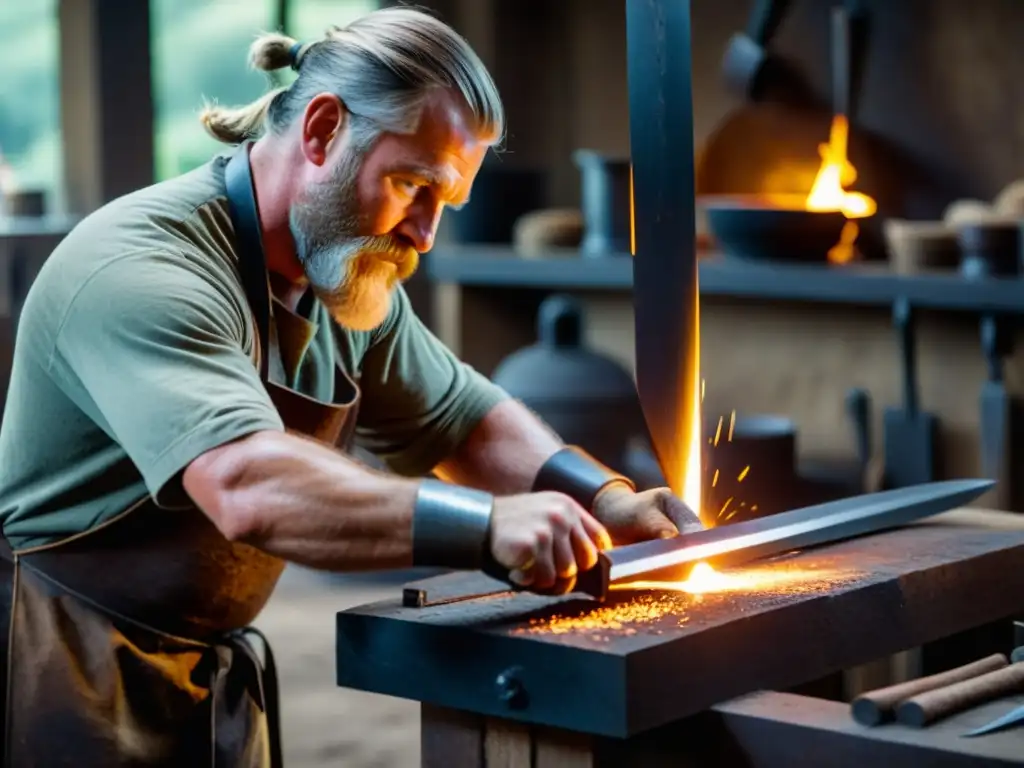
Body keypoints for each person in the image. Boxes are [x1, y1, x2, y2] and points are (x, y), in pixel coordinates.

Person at [0, 7, 702, 766]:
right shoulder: (142, 271)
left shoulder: (340, 278)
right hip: (54, 666)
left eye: (447, 204)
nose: (426, 234)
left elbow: (462, 418)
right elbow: (247, 482)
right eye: (411, 185)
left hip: (203, 666)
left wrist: (603, 498)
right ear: (323, 131)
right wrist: (486, 527)